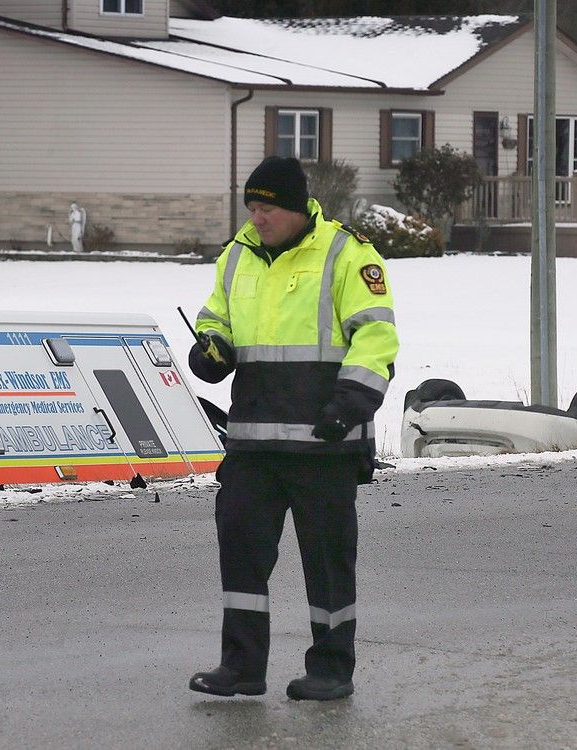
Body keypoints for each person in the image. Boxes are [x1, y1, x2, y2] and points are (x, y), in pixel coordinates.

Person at [187, 156, 398, 701]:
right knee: (241, 554)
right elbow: (217, 317)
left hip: (323, 444)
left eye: (267, 208)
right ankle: (242, 666)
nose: (258, 218)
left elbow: (375, 338)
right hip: (253, 444)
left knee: (327, 564)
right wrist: (209, 349)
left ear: (297, 206)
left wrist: (351, 401)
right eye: (252, 208)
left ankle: (330, 670)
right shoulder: (236, 256)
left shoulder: (347, 254)